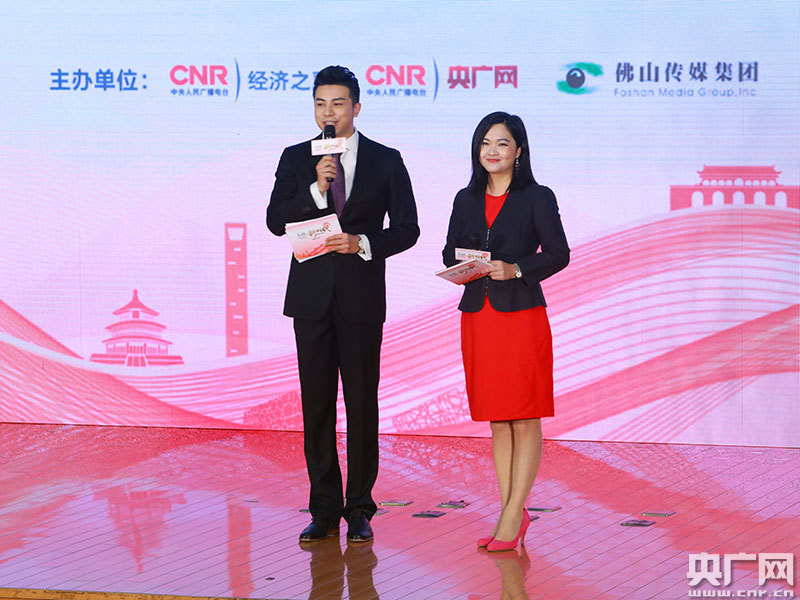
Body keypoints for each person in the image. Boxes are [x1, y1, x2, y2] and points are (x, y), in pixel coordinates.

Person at [267, 66, 419, 543]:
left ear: (356, 107)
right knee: (316, 406)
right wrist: (315, 189)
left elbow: (408, 229)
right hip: (310, 300)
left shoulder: (385, 160)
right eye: (320, 104)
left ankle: (360, 507)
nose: (327, 112)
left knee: (361, 403)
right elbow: (275, 220)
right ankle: (324, 508)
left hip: (361, 298)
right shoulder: (296, 158)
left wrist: (363, 243)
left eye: (337, 103)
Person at [442, 111, 569, 552]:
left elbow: (558, 253)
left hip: (520, 315)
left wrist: (515, 268)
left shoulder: (537, 196)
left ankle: (514, 513)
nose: (491, 151)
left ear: (519, 151)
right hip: (479, 315)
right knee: (499, 417)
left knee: (524, 413)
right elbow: (449, 249)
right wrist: (468, 263)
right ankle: (509, 509)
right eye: (485, 143)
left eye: (501, 143)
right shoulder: (465, 198)